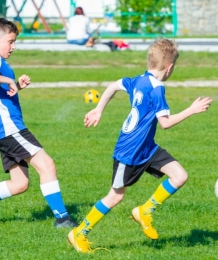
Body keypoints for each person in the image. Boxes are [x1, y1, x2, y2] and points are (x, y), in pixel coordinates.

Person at [67, 38, 212, 253]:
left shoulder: (138, 80)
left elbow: (112, 86)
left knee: (180, 175)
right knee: (115, 196)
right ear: (170, 67)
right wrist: (191, 109)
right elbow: (166, 123)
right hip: (129, 152)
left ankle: (145, 210)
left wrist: (99, 109)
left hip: (147, 148)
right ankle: (79, 233)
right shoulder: (157, 89)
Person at [0, 17, 76, 228]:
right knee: (47, 165)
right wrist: (8, 79)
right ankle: (63, 218)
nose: (13, 47)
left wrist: (16, 86)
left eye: (14, 42)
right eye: (10, 41)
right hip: (9, 128)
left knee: (20, 183)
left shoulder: (2, 63)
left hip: (2, 130)